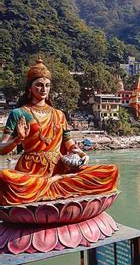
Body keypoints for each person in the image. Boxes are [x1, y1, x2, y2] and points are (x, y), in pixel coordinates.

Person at [0, 58, 118, 205]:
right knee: (5, 178)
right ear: (29, 88)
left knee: (110, 171)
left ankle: (54, 183)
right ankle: (54, 184)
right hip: (31, 172)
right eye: (39, 85)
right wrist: (18, 139)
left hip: (60, 168)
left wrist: (82, 154)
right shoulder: (19, 113)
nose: (44, 89)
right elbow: (2, 149)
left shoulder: (59, 114)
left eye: (47, 85)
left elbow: (69, 145)